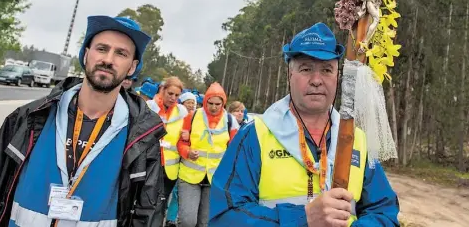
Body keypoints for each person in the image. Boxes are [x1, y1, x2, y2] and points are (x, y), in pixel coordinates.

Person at [0, 15, 167, 227]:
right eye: (102, 49)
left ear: (132, 67)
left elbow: (147, 213)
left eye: (121, 53)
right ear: (86, 55)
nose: (108, 59)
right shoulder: (28, 118)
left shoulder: (142, 137)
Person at [209, 22, 400, 226]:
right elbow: (225, 215)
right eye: (306, 69)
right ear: (290, 75)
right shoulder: (256, 134)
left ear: (338, 77)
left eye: (327, 70)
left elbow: (384, 212)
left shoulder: (356, 139)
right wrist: (303, 218)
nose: (316, 80)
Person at [176, 82, 239, 227]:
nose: (214, 107)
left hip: (215, 180)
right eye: (210, 103)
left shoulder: (231, 121)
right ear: (205, 101)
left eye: (218, 104)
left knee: (205, 223)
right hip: (189, 177)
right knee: (187, 221)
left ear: (223, 103)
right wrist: (187, 152)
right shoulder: (192, 116)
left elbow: (234, 151)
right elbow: (180, 143)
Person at [146, 77, 188, 226]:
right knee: (145, 204)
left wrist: (186, 136)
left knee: (160, 205)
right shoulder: (149, 108)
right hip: (148, 165)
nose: (173, 98)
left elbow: (183, 141)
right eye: (170, 93)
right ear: (162, 90)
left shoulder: (182, 113)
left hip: (169, 169)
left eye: (177, 95)